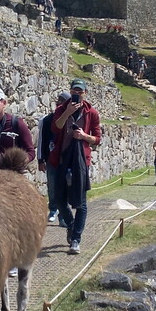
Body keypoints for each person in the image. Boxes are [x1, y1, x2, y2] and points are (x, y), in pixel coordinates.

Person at [49, 79, 102, 255]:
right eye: (74, 91)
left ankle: (76, 239)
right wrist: (68, 112)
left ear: (85, 93)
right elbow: (56, 128)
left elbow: (97, 139)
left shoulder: (91, 113)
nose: (77, 94)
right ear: (70, 91)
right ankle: (71, 226)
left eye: (80, 92)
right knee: (59, 200)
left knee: (81, 202)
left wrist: (84, 136)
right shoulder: (61, 109)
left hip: (80, 162)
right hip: (61, 159)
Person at [37, 92, 70, 223]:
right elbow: (41, 141)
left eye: (62, 104)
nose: (58, 106)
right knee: (52, 186)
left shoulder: (71, 119)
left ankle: (64, 214)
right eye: (57, 103)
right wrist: (41, 159)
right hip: (51, 158)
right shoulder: (46, 120)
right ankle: (53, 209)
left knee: (65, 186)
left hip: (67, 159)